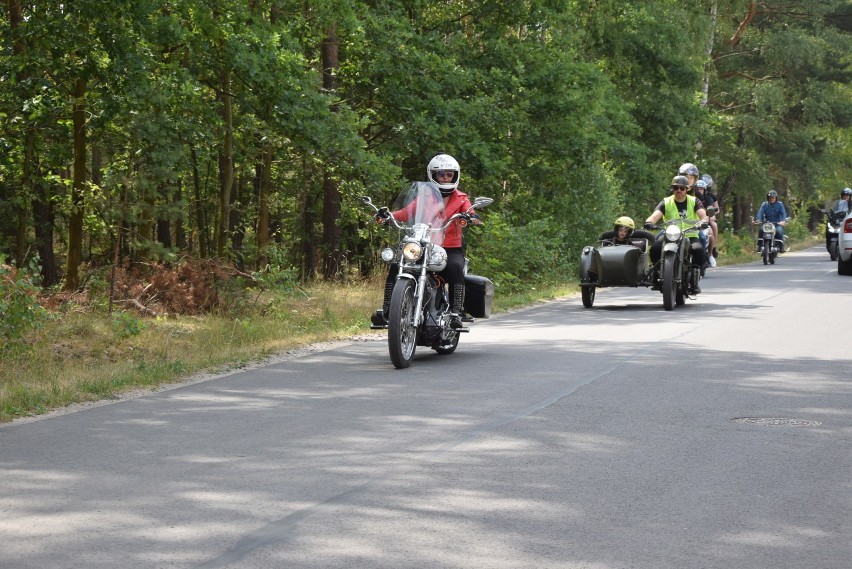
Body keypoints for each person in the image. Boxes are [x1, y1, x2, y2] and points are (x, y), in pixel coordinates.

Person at [372, 153, 474, 330]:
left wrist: (471, 217)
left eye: (449, 174)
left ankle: (456, 312)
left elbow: (471, 213)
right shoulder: (425, 196)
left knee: (456, 267)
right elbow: (407, 213)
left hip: (449, 248)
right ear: (433, 175)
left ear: (455, 176)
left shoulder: (461, 198)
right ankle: (388, 309)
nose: (445, 178)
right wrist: (388, 216)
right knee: (397, 265)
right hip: (424, 243)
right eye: (441, 174)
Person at [644, 175, 708, 293]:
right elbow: (655, 215)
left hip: (689, 234)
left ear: (687, 189)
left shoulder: (694, 201)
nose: (678, 190)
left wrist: (704, 221)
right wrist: (649, 222)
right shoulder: (666, 201)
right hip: (670, 234)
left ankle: (694, 278)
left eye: (681, 188)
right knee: (655, 248)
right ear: (672, 189)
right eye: (675, 188)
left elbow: (703, 215)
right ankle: (657, 273)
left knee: (698, 249)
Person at [698, 174, 720, 258]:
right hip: (694, 220)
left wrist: (711, 215)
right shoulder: (691, 198)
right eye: (698, 189)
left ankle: (712, 248)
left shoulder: (709, 197)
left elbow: (715, 209)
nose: (700, 191)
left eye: (701, 189)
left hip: (707, 218)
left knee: (713, 224)